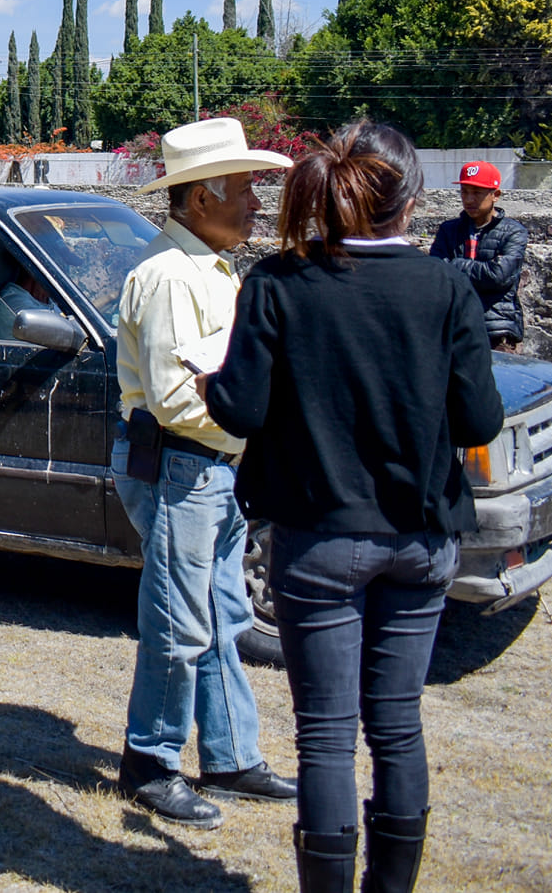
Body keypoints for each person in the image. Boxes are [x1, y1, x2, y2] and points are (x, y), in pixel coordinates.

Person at [206, 120, 505, 893]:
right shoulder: (445, 287)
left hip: (319, 542)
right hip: (420, 539)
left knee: (329, 739)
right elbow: (477, 421)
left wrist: (211, 382)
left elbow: (238, 411)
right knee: (397, 726)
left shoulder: (277, 282)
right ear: (411, 199)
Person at [111, 118, 298, 830]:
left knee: (220, 614)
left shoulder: (204, 269)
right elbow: (177, 398)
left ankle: (228, 754)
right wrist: (261, 430)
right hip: (182, 465)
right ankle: (150, 761)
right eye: (245, 187)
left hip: (204, 467)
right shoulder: (170, 277)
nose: (257, 202)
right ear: (199, 199)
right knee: (180, 618)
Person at [426, 159, 529, 351]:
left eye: (477, 193)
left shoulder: (514, 232)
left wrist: (454, 265)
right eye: (465, 192)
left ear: (495, 195)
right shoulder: (449, 231)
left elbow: (498, 276)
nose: (469, 199)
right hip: (455, 326)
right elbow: (435, 272)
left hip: (496, 330)